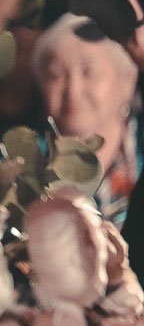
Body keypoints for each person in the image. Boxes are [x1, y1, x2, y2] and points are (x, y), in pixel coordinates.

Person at [34, 12, 141, 227]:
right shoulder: (22, 168)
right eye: (55, 75)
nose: (73, 90)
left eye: (89, 72)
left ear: (127, 81)